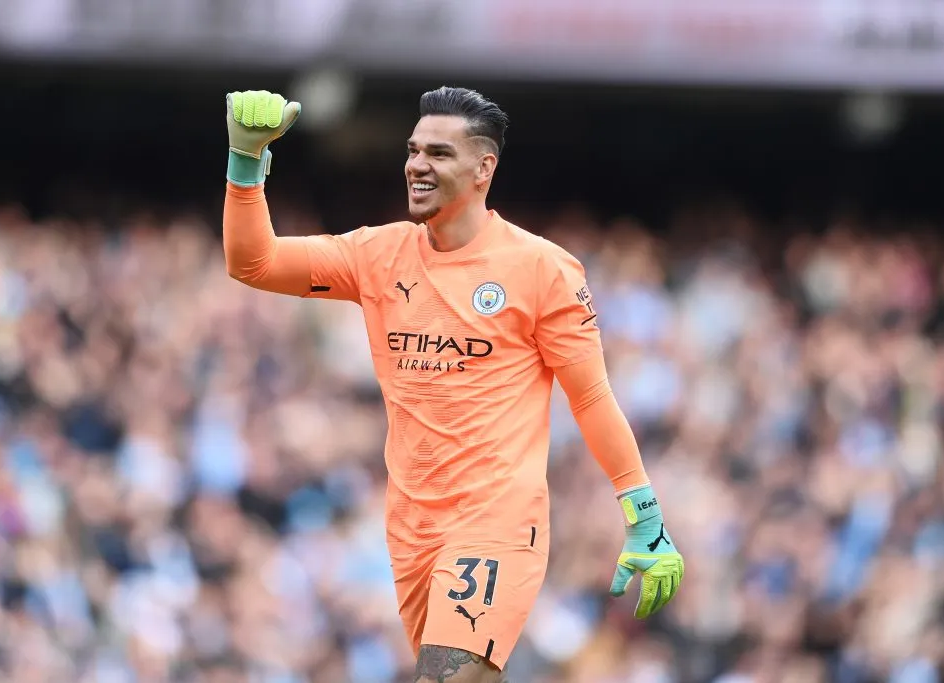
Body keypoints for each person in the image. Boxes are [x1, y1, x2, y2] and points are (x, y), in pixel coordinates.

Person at [221, 87, 685, 683]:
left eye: (438, 153)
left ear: (483, 167)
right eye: (414, 150)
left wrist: (642, 512)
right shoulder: (377, 254)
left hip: (496, 520)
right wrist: (244, 160)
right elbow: (252, 262)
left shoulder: (543, 269)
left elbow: (591, 397)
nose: (417, 165)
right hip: (412, 526)